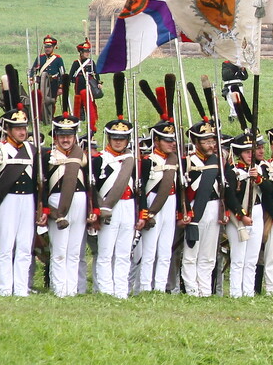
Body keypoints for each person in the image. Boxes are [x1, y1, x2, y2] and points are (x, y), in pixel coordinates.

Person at [0, 97, 40, 296]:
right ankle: (5, 287)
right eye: (17, 128)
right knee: (5, 245)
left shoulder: (32, 150)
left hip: (28, 200)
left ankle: (21, 288)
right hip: (7, 200)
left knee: (24, 246)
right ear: (8, 129)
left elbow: (39, 181)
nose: (22, 131)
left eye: (24, 127)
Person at [43, 106, 89, 298]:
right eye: (61, 135)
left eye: (69, 135)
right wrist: (45, 209)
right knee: (60, 249)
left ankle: (72, 289)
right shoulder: (47, 157)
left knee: (75, 249)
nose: (66, 139)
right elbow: (42, 185)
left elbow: (90, 184)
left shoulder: (82, 156)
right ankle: (60, 288)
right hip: (58, 200)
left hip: (80, 201)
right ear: (55, 137)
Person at [93, 105, 137, 299]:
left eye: (122, 139)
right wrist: (99, 208)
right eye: (115, 138)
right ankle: (105, 289)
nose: (118, 142)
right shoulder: (99, 160)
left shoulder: (131, 160)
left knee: (123, 252)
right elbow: (92, 188)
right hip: (109, 207)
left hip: (128, 206)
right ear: (109, 138)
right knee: (105, 252)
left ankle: (121, 290)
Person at [137, 117, 180, 294]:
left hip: (171, 203)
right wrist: (144, 211)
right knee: (149, 250)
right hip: (153, 202)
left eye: (172, 140)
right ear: (156, 141)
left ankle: (160, 287)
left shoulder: (175, 161)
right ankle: (146, 287)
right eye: (167, 140)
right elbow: (140, 189)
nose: (171, 144)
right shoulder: (148, 161)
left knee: (165, 250)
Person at [180, 118, 222, 296]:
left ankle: (204, 290)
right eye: (206, 141)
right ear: (196, 142)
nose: (211, 144)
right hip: (194, 208)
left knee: (208, 253)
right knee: (191, 253)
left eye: (212, 140)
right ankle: (191, 289)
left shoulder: (218, 160)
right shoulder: (187, 162)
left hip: (214, 207)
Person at [222, 132, 266, 298]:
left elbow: (269, 191)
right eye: (247, 152)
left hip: (256, 212)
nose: (250, 155)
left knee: (252, 258)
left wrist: (260, 179)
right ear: (240, 153)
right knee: (238, 258)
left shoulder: (258, 170)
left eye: (251, 151)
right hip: (238, 217)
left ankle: (248, 292)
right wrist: (242, 215)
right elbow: (231, 197)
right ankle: (235, 292)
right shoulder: (233, 172)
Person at [28, 35, 65, 123]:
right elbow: (34, 69)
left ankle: (50, 116)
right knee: (40, 99)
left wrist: (60, 87)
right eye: (46, 47)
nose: (47, 49)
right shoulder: (40, 58)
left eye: (49, 47)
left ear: (53, 47)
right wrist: (31, 78)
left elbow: (62, 73)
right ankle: (40, 117)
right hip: (42, 82)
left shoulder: (58, 59)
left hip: (53, 82)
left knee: (51, 101)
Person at [69, 40, 100, 125]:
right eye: (85, 52)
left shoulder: (91, 62)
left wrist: (99, 82)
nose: (87, 53)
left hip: (89, 83)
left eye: (88, 51)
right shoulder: (76, 63)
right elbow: (71, 74)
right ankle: (79, 117)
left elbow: (96, 73)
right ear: (81, 53)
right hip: (79, 83)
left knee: (90, 100)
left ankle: (92, 116)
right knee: (79, 100)